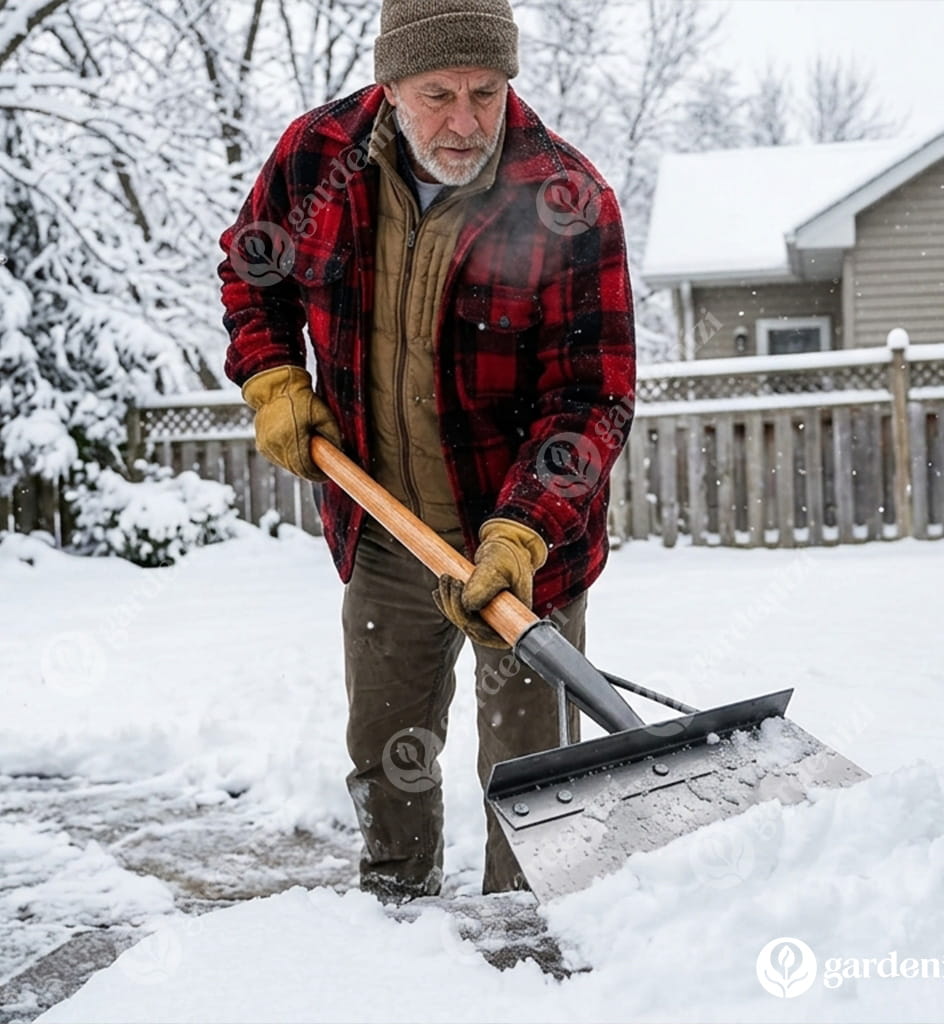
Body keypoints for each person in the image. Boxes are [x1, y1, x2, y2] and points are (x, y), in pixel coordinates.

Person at [218, 0, 635, 903]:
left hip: (519, 551)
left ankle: (518, 942)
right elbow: (254, 275)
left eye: (486, 92)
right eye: (438, 93)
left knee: (529, 784)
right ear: (390, 84)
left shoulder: (567, 199)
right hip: (382, 530)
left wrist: (522, 532)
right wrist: (274, 377)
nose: (465, 121)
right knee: (386, 749)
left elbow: (591, 396)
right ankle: (394, 914)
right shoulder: (316, 159)